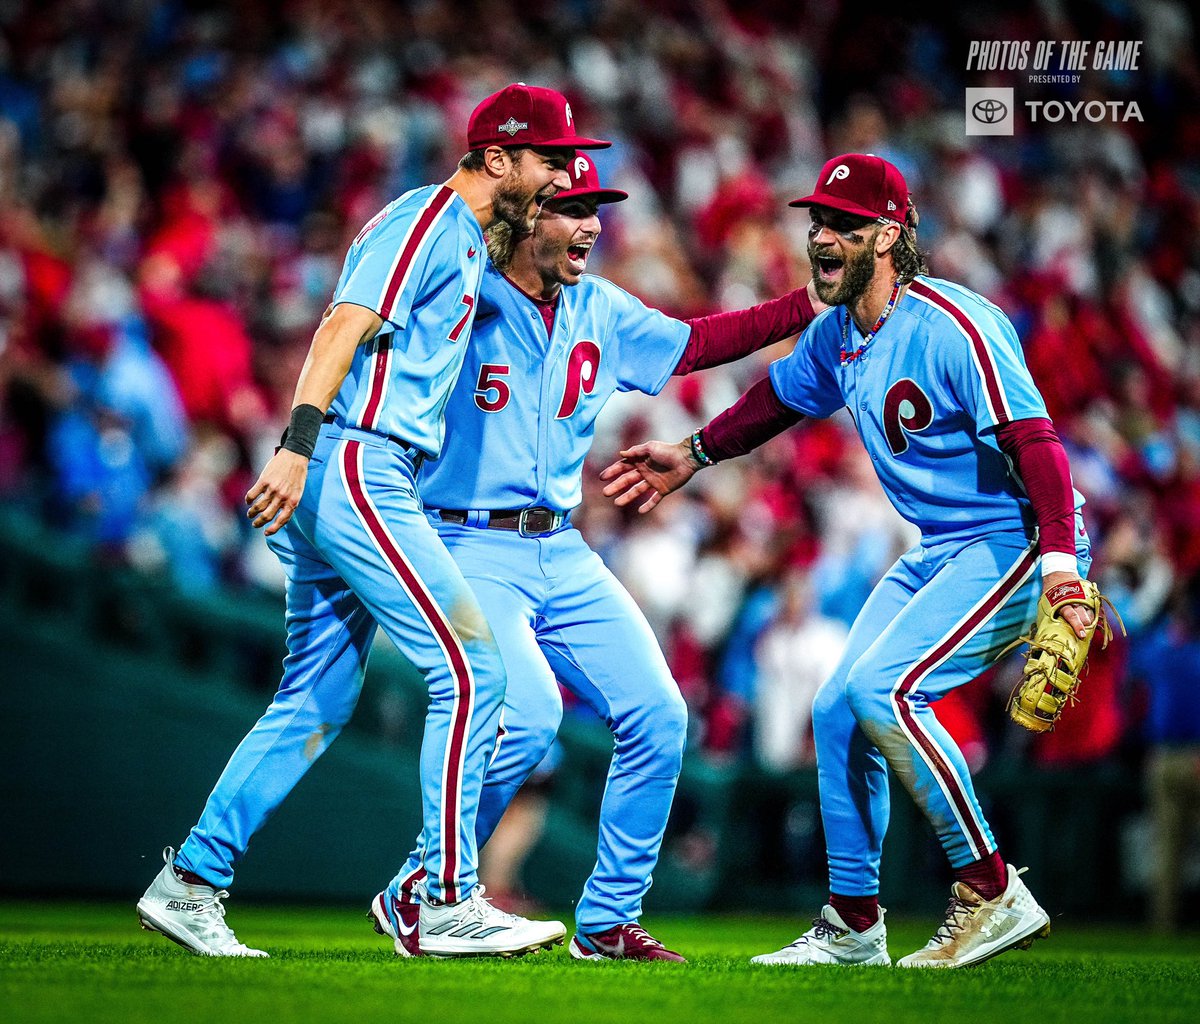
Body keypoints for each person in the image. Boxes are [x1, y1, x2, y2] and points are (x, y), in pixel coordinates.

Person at [136, 84, 610, 959]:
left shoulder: (470, 238)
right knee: (473, 669)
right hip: (357, 460)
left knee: (315, 695)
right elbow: (342, 325)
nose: (557, 177)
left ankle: (191, 881)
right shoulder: (429, 220)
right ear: (499, 157)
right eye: (547, 160)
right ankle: (443, 899)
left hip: (360, 468)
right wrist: (296, 444)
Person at [601, 153, 1099, 969]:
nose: (821, 237)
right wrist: (694, 451)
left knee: (881, 692)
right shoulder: (839, 333)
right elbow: (777, 399)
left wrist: (1059, 569)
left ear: (890, 234)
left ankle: (991, 888)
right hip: (941, 547)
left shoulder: (954, 324)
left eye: (842, 224)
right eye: (817, 222)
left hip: (1015, 538)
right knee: (838, 710)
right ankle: (854, 922)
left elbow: (1035, 442)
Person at [363, 154, 825, 961]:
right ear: (524, 216)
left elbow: (698, 342)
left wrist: (807, 302)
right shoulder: (462, 296)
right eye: (569, 207)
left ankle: (607, 920)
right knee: (530, 710)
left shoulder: (599, 307)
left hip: (562, 546)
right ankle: (430, 888)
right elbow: (374, 321)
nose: (590, 224)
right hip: (466, 538)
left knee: (659, 713)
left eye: (595, 209)